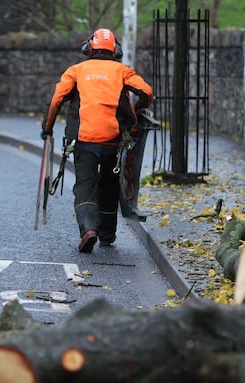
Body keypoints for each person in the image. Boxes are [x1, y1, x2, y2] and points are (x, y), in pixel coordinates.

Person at [41, 28, 153, 253]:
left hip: (84, 142)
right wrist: (138, 109)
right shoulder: (122, 70)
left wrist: (47, 128)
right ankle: (108, 234)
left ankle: (88, 230)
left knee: (85, 185)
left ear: (88, 48)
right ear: (116, 51)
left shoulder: (76, 71)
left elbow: (56, 100)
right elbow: (146, 92)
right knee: (110, 185)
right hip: (114, 142)